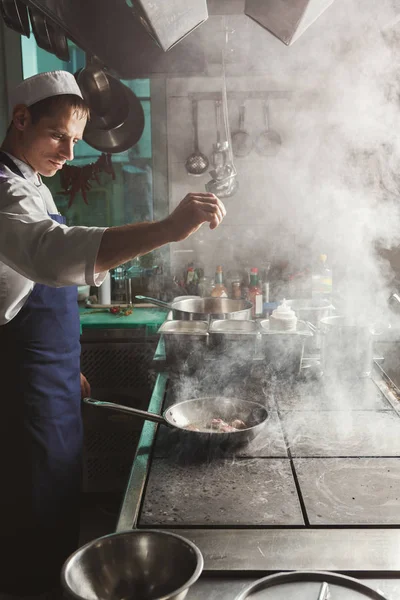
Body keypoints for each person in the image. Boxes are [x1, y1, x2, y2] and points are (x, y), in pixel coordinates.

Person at [0, 70, 226, 598]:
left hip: (49, 375)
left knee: (58, 507)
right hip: (19, 384)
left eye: (75, 141)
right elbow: (51, 256)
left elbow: (21, 289)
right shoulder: (2, 186)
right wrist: (168, 230)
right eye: (58, 135)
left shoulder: (31, 182)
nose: (68, 153)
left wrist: (66, 365)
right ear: (20, 119)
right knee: (30, 515)